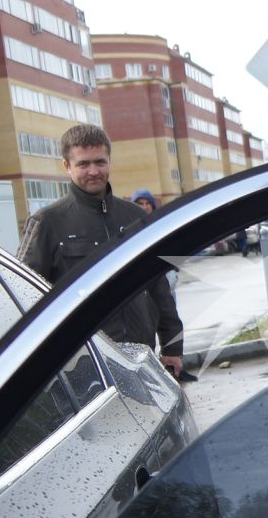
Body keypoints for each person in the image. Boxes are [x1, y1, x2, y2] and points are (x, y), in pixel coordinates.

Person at [20, 123, 184, 379]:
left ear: (109, 161)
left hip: (142, 359)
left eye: (100, 162)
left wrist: (173, 346)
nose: (94, 171)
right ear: (67, 166)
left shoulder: (137, 217)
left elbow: (159, 288)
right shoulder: (47, 223)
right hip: (83, 366)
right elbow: (23, 298)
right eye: (83, 164)